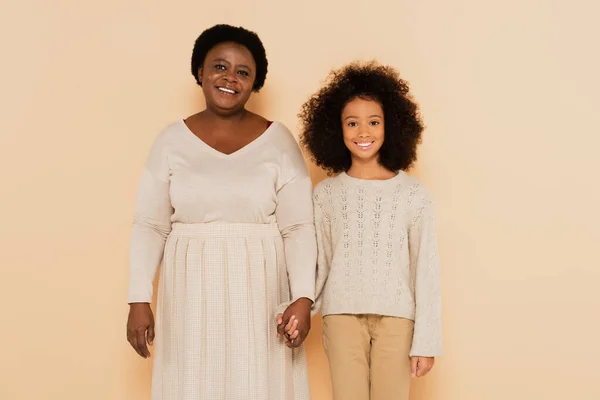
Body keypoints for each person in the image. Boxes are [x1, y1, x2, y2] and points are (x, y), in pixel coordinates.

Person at [126, 24, 316, 400]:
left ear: (255, 83)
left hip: (262, 289)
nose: (230, 78)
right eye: (219, 67)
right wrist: (138, 298)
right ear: (200, 71)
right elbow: (150, 225)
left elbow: (298, 227)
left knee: (259, 382)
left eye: (243, 72)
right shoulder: (169, 140)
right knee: (192, 381)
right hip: (189, 290)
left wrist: (304, 297)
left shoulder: (279, 140)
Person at [299, 61, 442, 400]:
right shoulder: (326, 195)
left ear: (390, 126)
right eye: (352, 123)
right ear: (337, 129)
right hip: (341, 316)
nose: (363, 132)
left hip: (397, 319)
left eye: (373, 122)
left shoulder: (413, 194)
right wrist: (297, 306)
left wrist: (427, 341)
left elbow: (427, 269)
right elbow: (318, 263)